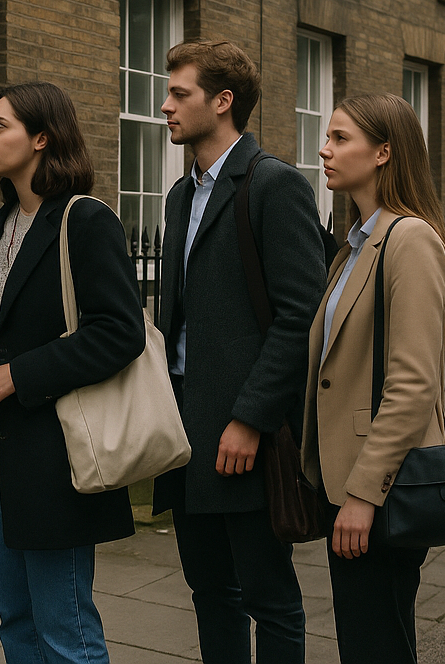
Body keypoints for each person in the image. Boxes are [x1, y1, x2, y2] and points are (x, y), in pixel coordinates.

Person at [0, 82, 146, 664]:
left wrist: (22, 374)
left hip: (55, 443)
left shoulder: (84, 221)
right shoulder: (0, 223)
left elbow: (120, 330)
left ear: (41, 138)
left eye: (0, 126)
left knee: (65, 629)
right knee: (16, 620)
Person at [152, 40, 326, 664]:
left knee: (269, 598)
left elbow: (300, 317)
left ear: (223, 102)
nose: (164, 105)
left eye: (179, 94)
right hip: (186, 429)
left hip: (244, 433)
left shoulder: (274, 185)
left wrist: (250, 418)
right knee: (208, 592)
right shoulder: (179, 197)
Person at [301, 93, 445, 663]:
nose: (325, 148)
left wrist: (363, 494)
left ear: (383, 152)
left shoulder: (410, 240)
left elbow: (413, 384)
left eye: (341, 138)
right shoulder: (355, 247)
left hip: (380, 488)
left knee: (377, 645)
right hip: (348, 485)